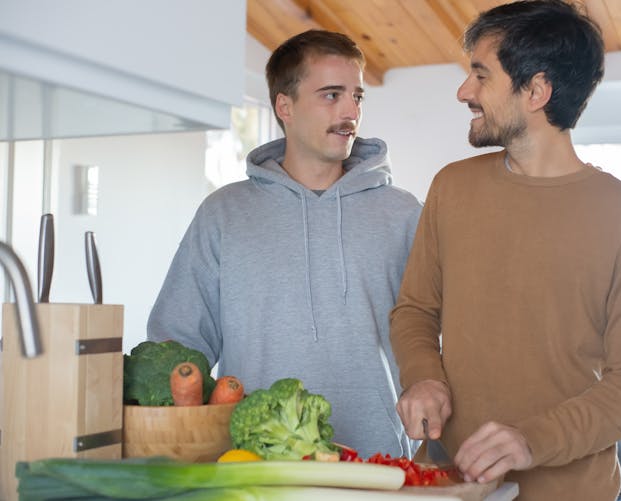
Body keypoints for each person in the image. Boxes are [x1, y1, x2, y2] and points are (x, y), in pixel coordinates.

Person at [389, 1, 621, 500]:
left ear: (536, 91)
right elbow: (415, 310)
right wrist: (423, 377)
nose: (463, 92)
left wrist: (530, 442)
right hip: (445, 483)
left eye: (480, 76)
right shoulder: (452, 188)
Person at [148, 29, 422, 459]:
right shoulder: (224, 213)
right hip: (256, 461)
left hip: (381, 461)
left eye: (357, 96)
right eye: (332, 95)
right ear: (284, 106)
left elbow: (432, 335)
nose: (351, 110)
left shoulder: (404, 213)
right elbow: (180, 340)